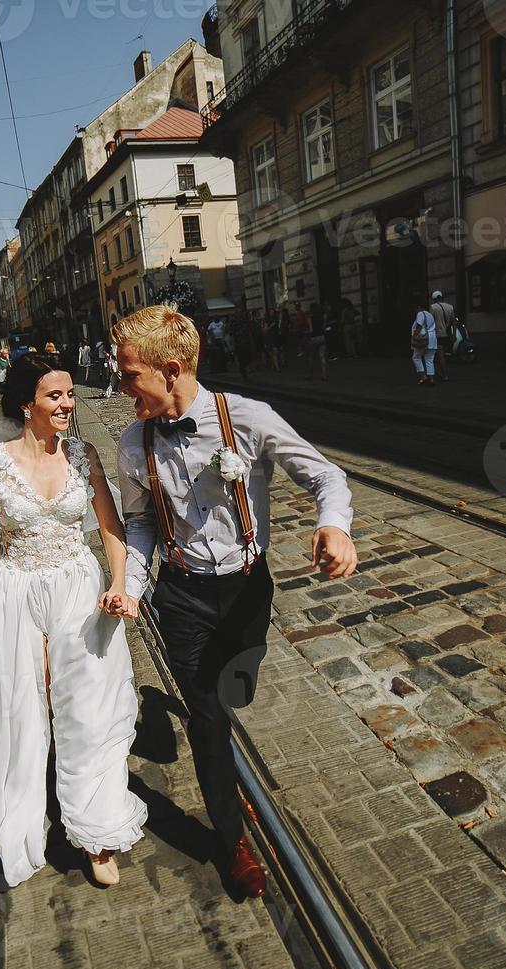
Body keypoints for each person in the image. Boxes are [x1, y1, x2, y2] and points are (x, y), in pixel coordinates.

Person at [112, 305, 356, 899]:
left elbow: (327, 477)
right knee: (209, 720)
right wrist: (134, 587)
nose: (121, 388)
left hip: (247, 589)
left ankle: (218, 697)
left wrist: (335, 526)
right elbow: (141, 523)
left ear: (171, 370)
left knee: (236, 688)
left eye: (129, 375)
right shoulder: (132, 442)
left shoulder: (248, 419)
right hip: (181, 594)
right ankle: (231, 840)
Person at [0, 353, 146, 887]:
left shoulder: (84, 454)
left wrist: (119, 584)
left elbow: (111, 527)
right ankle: (15, 814)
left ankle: (96, 834)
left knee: (87, 708)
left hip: (78, 585)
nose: (67, 405)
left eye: (70, 394)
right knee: (21, 707)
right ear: (26, 403)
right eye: (55, 396)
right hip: (17, 590)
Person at [411, 300, 438, 385]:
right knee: (429, 359)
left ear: (419, 307)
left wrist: (414, 336)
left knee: (416, 357)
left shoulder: (420, 313)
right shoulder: (430, 315)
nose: (415, 311)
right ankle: (431, 379)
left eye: (416, 309)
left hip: (423, 339)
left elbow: (419, 325)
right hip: (432, 338)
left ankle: (423, 377)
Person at [430, 291, 454, 382]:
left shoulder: (433, 307)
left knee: (440, 355)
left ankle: (445, 375)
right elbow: (453, 323)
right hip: (447, 334)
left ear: (434, 299)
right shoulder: (450, 307)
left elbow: (430, 321)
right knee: (443, 354)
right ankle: (441, 371)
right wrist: (454, 334)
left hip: (438, 334)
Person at [305, 302, 327, 381]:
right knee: (322, 357)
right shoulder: (323, 316)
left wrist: (307, 332)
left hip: (314, 338)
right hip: (322, 337)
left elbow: (311, 330)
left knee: (311, 357)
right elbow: (324, 328)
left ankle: (310, 375)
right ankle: (324, 375)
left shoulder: (310, 318)